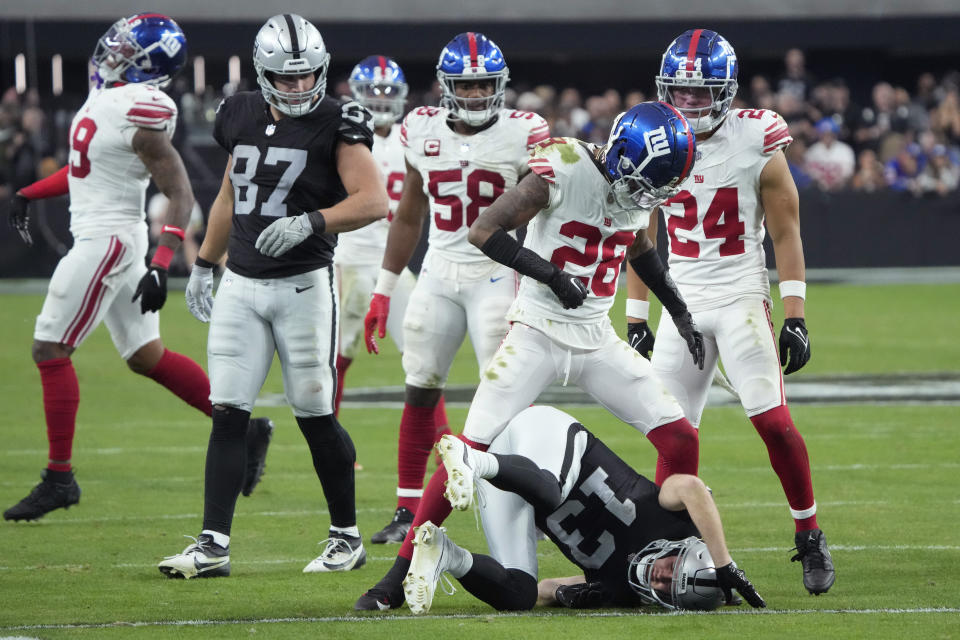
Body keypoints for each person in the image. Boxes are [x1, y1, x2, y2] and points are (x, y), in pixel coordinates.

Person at [355, 101, 704, 611]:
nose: (651, 194)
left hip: (595, 337)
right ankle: (395, 575)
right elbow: (483, 231)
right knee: (465, 452)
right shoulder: (560, 166)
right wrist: (551, 276)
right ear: (624, 156)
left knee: (679, 434)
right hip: (536, 331)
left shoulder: (637, 185)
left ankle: (668, 550)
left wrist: (679, 311)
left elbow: (640, 246)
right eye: (649, 182)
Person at [3, 13, 272, 522]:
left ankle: (59, 478)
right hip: (108, 238)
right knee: (146, 356)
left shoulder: (139, 108)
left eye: (125, 46)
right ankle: (246, 427)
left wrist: (161, 263)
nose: (112, 49)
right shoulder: (110, 103)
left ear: (144, 61)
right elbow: (86, 169)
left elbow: (181, 192)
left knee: (49, 347)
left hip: (106, 241)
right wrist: (30, 192)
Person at [157, 13, 387, 578]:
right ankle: (212, 546)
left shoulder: (340, 121)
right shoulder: (237, 112)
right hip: (242, 284)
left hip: (304, 286)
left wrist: (313, 221)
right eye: (287, 78)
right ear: (263, 74)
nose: (299, 86)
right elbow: (231, 194)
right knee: (228, 412)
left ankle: (346, 537)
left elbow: (374, 200)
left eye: (308, 75)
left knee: (313, 412)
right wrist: (207, 263)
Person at [628, 28, 834, 595]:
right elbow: (638, 231)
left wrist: (795, 312)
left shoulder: (756, 135)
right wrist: (637, 315)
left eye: (701, 93)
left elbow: (786, 229)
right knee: (674, 436)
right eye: (680, 92)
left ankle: (808, 533)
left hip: (740, 291)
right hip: (681, 298)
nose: (689, 104)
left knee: (773, 421)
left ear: (726, 90)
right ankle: (667, 546)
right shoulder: (654, 134)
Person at [361, 32, 550, 545]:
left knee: (511, 392)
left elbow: (544, 210)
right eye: (465, 86)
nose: (474, 95)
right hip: (440, 270)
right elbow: (408, 215)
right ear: (446, 86)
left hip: (496, 273)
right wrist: (384, 289)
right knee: (420, 386)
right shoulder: (420, 129)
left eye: (484, 84)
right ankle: (406, 507)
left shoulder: (524, 131)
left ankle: (531, 502)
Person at [401, 405, 765, 614]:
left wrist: (564, 595)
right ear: (685, 550)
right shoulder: (675, 522)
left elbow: (545, 588)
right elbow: (691, 487)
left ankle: (446, 554)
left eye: (668, 589)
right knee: (551, 491)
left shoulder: (626, 592)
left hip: (514, 480)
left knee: (519, 595)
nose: (659, 578)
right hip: (551, 440)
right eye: (671, 570)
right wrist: (723, 563)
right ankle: (471, 458)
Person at [334, 55, 451, 462]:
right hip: (345, 258)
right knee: (336, 357)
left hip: (392, 264)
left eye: (388, 92)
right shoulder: (342, 135)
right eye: (374, 91)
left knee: (422, 358)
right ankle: (328, 446)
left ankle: (446, 451)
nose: (381, 100)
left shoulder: (412, 136)